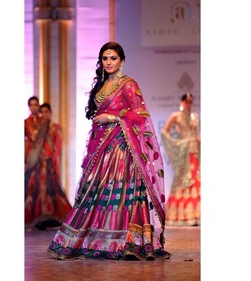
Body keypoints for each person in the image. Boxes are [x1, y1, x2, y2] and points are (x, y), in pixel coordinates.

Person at [47, 42, 171, 260]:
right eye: (105, 58)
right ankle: (93, 238)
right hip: (101, 149)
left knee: (120, 192)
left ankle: (128, 241)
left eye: (113, 58)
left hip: (122, 149)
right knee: (95, 192)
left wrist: (112, 117)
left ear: (122, 60)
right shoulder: (102, 85)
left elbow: (140, 115)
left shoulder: (129, 84)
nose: (109, 62)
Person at [25, 102, 72, 230]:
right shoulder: (38, 127)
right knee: (38, 189)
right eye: (42, 112)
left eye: (47, 112)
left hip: (49, 162)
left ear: (51, 112)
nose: (44, 114)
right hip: (37, 163)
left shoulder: (55, 127)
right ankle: (41, 218)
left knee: (51, 190)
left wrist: (54, 162)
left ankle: (53, 217)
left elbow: (57, 147)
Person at [161, 93, 201, 226]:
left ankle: (196, 214)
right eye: (186, 102)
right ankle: (180, 215)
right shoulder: (176, 116)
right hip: (184, 152)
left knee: (196, 179)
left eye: (191, 102)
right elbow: (164, 131)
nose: (189, 104)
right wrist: (177, 143)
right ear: (182, 102)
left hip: (195, 152)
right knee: (183, 179)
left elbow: (195, 133)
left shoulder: (195, 117)